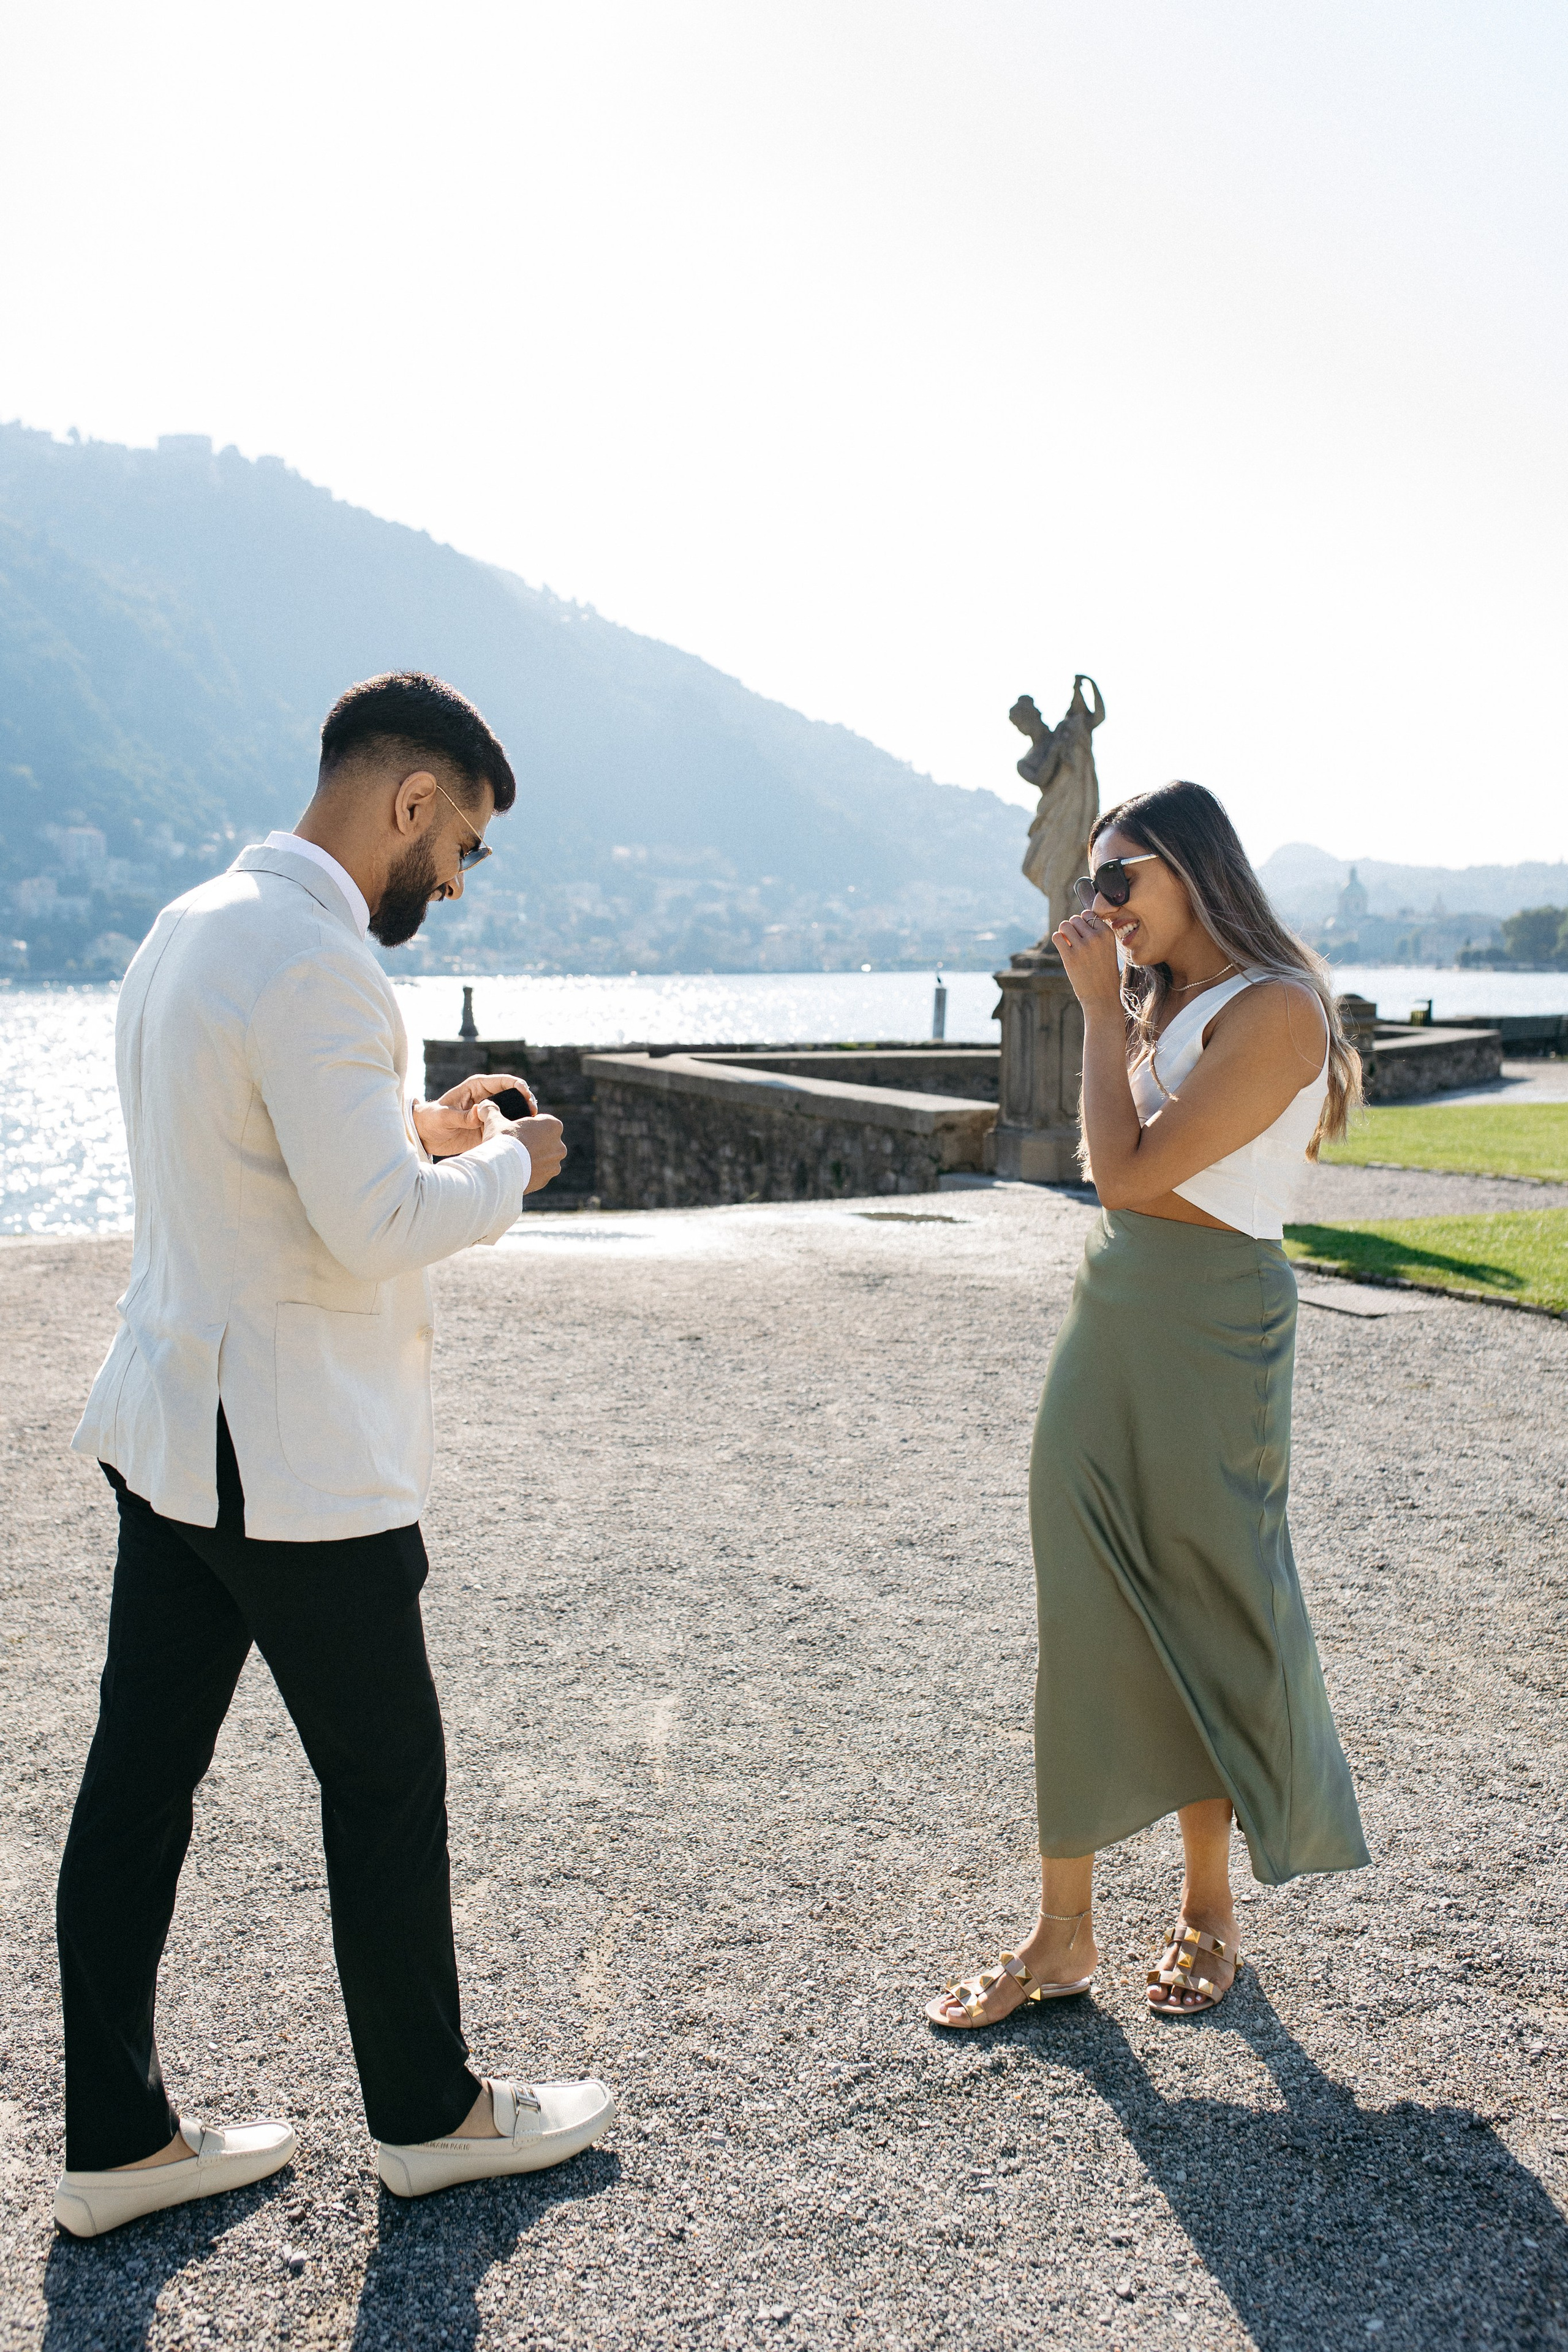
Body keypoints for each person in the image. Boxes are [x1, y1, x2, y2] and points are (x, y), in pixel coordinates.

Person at [54, 672, 616, 2238]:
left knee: (136, 1790)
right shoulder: (319, 963)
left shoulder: (189, 929)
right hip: (292, 1462)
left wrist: (413, 1129)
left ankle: (115, 2143)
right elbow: (369, 1231)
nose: (455, 882)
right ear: (410, 803)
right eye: (464, 848)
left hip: (173, 1434)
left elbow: (258, 1161)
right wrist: (507, 1163)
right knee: (384, 1786)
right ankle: (430, 2118)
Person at [928, 779, 1368, 2031]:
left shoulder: (1277, 1009)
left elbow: (1121, 1176)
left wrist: (1090, 1016)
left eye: (1119, 880)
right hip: (1114, 1314)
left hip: (1212, 1323)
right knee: (1079, 1606)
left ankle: (1206, 1907)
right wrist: (1116, 1018)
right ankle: (1059, 1934)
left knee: (1204, 1598)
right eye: (1090, 886)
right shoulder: (1167, 1003)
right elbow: (1121, 1182)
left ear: (1193, 871)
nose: (1100, 906)